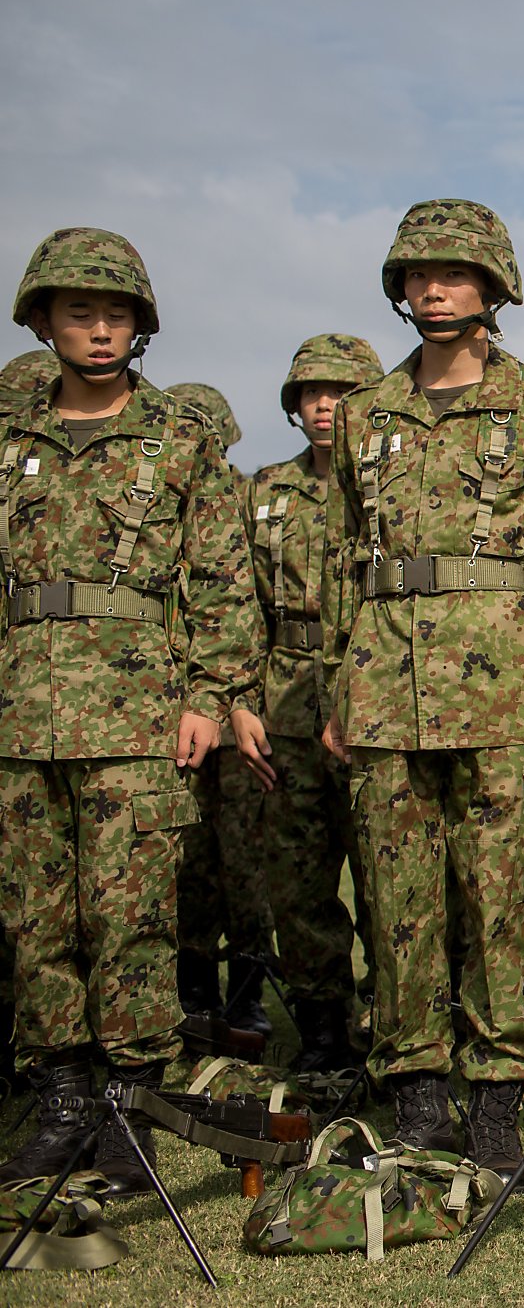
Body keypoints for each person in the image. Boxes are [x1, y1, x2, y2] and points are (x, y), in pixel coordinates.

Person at [320, 199, 524, 1185]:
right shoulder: (363, 413)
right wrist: (337, 687)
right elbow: (340, 558)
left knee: (498, 902)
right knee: (396, 903)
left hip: (501, 688)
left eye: (454, 273)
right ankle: (416, 1099)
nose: (434, 290)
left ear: (492, 286)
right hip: (386, 690)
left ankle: (494, 1104)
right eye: (417, 275)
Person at [0, 228, 259, 1191]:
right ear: (42, 320)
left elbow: (224, 585)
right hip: (21, 716)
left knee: (131, 916)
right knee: (35, 919)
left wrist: (211, 696)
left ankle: (130, 1110)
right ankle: (60, 1100)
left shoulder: (178, 438)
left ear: (140, 327)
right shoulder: (7, 434)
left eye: (117, 315)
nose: (100, 331)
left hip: (138, 718)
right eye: (80, 313)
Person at [233, 334, 384, 1075]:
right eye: (311, 393)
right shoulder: (265, 490)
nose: (324, 407)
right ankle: (323, 1031)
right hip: (285, 704)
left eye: (340, 393)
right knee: (297, 881)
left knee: (390, 880)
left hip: (375, 700)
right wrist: (238, 698)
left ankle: (395, 1025)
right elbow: (238, 604)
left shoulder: (390, 480)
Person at [162, 381, 275, 1039]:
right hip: (160, 708)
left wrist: (237, 701)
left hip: (233, 710)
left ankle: (249, 995)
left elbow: (250, 610)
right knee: (189, 863)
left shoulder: (245, 498)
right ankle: (194, 995)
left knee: (244, 861)